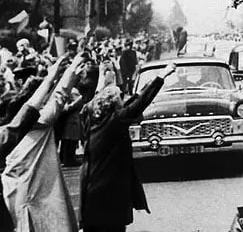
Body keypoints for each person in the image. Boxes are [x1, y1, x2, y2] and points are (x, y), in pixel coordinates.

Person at [79, 62, 177, 232]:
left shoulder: (91, 119)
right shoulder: (117, 120)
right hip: (111, 192)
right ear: (115, 103)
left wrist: (103, 78)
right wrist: (163, 75)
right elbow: (141, 102)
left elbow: (127, 100)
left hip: (91, 190)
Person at [2, 54, 86, 232]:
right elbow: (59, 96)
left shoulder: (6, 134)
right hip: (37, 198)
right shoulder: (39, 126)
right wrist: (68, 72)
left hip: (11, 197)